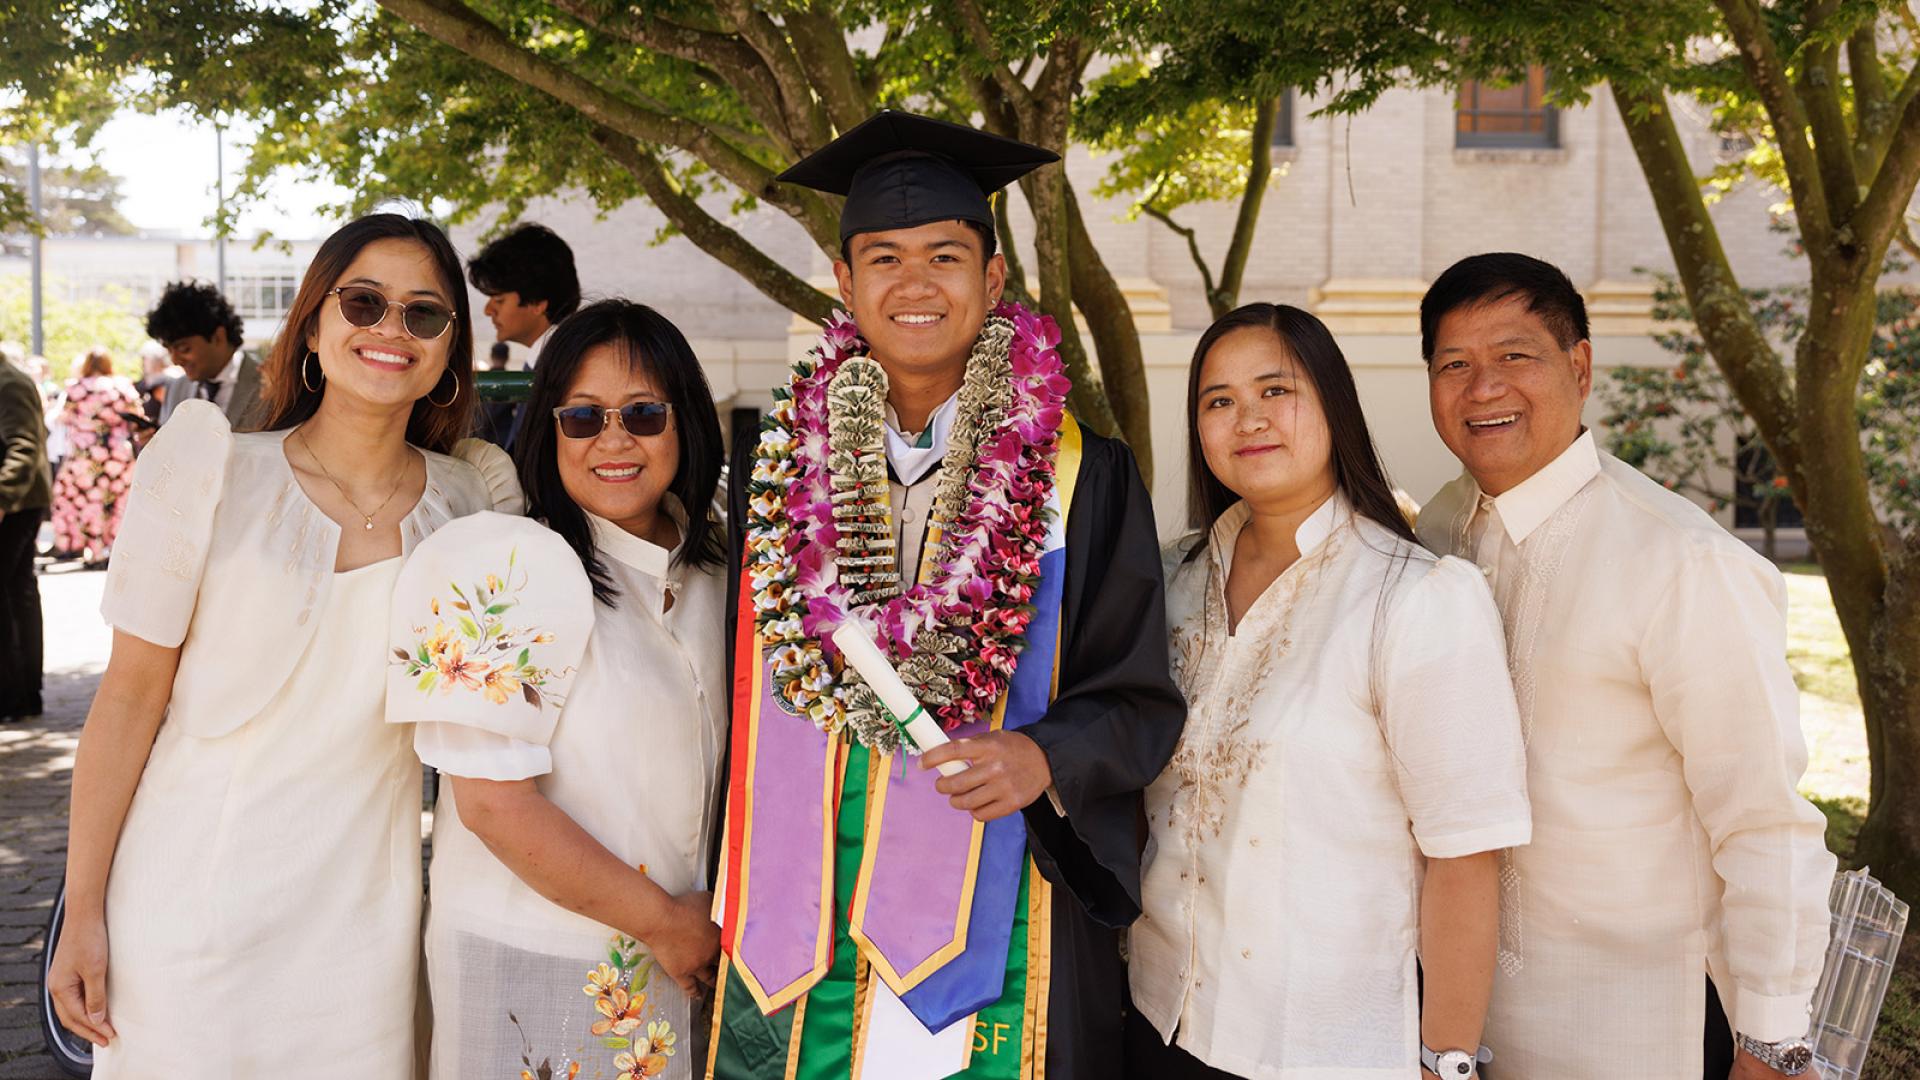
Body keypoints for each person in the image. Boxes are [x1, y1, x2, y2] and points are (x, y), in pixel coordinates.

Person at [709, 110, 1186, 1080]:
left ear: (993, 277)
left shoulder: (1082, 479)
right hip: (795, 927)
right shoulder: (777, 481)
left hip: (1007, 915)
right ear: (845, 283)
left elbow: (1138, 697)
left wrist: (1043, 756)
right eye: (883, 258)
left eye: (946, 255)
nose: (914, 284)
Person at [47, 213, 522, 1077]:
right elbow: (125, 702)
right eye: (364, 302)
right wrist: (84, 911)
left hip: (362, 928)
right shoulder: (211, 469)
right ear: (312, 322)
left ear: (451, 348)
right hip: (188, 906)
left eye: (424, 313)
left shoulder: (475, 503)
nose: (390, 329)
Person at [1414, 253, 1835, 1079]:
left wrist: (1771, 1041)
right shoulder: (1440, 525)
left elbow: (1765, 818)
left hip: (1639, 1027)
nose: (1483, 388)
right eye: (1453, 365)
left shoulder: (1679, 559)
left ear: (1580, 365)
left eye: (1514, 356)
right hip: (1456, 1017)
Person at [1126, 304, 1530, 1079]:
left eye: (1276, 390)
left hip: (1320, 1045)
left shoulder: (1413, 598)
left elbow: (1467, 855)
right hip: (1157, 1019)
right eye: (1219, 400)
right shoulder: (1169, 581)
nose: (1248, 419)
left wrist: (1444, 1060)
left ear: (1333, 405)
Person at [392, 299, 727, 1079]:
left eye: (644, 414)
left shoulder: (718, 567)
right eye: (583, 417)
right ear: (549, 428)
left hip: (688, 968)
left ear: (687, 424)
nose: (615, 439)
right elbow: (492, 806)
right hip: (539, 964)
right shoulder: (498, 564)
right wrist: (671, 927)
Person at [468, 222, 580, 451]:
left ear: (537, 302)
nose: (488, 310)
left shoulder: (563, 368)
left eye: (499, 300)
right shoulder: (548, 360)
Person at [48, 347, 140, 566]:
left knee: (85, 501)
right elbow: (137, 415)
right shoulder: (123, 386)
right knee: (117, 502)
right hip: (118, 454)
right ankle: (115, 550)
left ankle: (91, 549)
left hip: (85, 455)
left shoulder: (77, 388)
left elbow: (62, 417)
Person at [0, 345, 51, 722]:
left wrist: (2, 497)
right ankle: (23, 694)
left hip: (15, 504)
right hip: (17, 501)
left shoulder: (9, 383)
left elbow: (23, 446)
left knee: (13, 596)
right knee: (18, 594)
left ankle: (15, 696)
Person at [145, 280, 263, 428]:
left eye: (184, 349)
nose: (175, 360)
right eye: (169, 350)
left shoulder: (272, 387)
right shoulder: (176, 388)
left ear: (218, 337)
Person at [474, 340, 518, 447]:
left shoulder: (479, 380)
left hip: (482, 436)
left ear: (491, 356)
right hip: (504, 438)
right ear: (507, 357)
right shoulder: (514, 382)